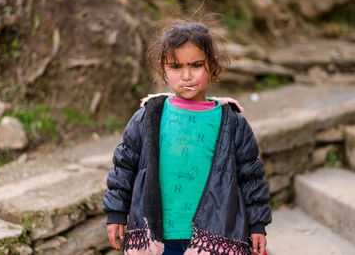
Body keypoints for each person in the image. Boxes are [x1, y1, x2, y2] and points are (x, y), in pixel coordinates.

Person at [102, 20, 272, 255]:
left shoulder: (232, 122)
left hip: (216, 236)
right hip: (159, 237)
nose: (187, 75)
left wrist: (257, 225)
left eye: (196, 65)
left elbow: (251, 176)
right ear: (163, 69)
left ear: (211, 66)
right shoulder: (148, 118)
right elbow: (124, 167)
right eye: (176, 66)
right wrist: (116, 213)